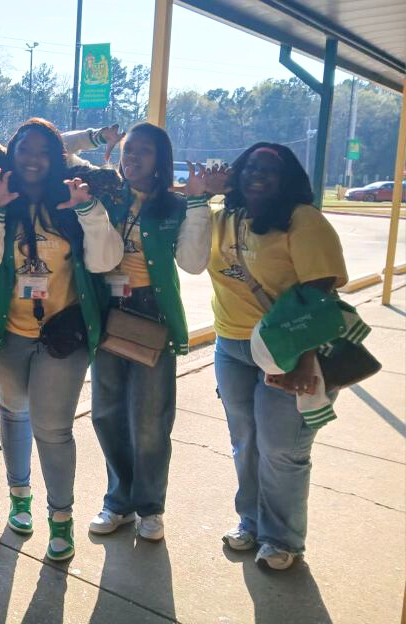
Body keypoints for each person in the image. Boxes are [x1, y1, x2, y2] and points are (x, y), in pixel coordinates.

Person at [66, 122, 224, 541]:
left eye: (144, 152)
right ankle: (118, 500)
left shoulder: (174, 206)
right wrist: (96, 138)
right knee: (106, 414)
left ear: (160, 161)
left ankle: (150, 506)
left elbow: (192, 263)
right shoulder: (104, 191)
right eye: (128, 149)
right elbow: (54, 149)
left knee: (151, 420)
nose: (132, 157)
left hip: (151, 317)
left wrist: (197, 204)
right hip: (106, 314)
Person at [0, 118, 123, 561]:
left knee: (53, 430)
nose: (33, 158)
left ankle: (61, 518)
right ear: (12, 156)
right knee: (13, 413)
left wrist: (88, 211)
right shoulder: (2, 201)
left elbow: (104, 262)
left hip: (64, 334)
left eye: (43, 150)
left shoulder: (74, 198)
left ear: (57, 157)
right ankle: (19, 498)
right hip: (8, 331)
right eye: (24, 150)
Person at [207, 142, 348, 570]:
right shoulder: (225, 217)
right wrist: (209, 190)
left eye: (269, 169)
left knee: (281, 448)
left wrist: (306, 359)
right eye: (249, 166)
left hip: (288, 351)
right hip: (231, 346)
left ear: (287, 178)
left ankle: (282, 538)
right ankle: (250, 522)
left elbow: (320, 291)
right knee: (245, 442)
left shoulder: (302, 221)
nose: (257, 174)